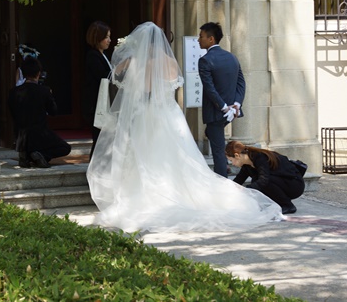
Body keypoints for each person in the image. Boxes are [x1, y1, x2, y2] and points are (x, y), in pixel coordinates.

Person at [87, 22, 282, 232]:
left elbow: (115, 76)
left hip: (146, 114)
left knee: (144, 154)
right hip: (168, 114)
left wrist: (129, 58)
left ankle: (143, 193)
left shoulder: (139, 62)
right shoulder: (170, 62)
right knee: (177, 156)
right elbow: (173, 85)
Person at [197, 22, 245, 177]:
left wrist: (225, 108)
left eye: (201, 36)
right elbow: (241, 83)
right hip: (230, 111)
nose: (199, 40)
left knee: (217, 150)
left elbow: (210, 88)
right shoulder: (232, 57)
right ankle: (225, 167)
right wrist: (236, 105)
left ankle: (222, 181)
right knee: (211, 134)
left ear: (211, 39)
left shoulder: (205, 60)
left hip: (217, 112)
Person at [8, 57, 71, 168]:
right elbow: (53, 112)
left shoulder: (14, 92)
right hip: (40, 135)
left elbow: (12, 112)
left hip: (20, 137)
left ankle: (27, 156)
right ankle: (39, 155)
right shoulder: (44, 91)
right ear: (38, 73)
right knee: (65, 148)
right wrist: (50, 96)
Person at [225, 141, 305, 214]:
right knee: (256, 181)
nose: (233, 164)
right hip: (283, 183)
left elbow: (264, 180)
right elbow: (238, 180)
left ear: (237, 155)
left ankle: (288, 205)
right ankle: (278, 203)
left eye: (231, 160)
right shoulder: (247, 165)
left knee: (263, 181)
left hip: (294, 185)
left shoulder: (260, 157)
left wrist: (246, 190)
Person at [83, 21, 113, 159]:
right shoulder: (92, 56)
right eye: (106, 37)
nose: (109, 40)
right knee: (98, 138)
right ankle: (93, 169)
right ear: (98, 38)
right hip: (95, 103)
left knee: (102, 139)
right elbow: (103, 76)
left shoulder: (102, 55)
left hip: (102, 101)